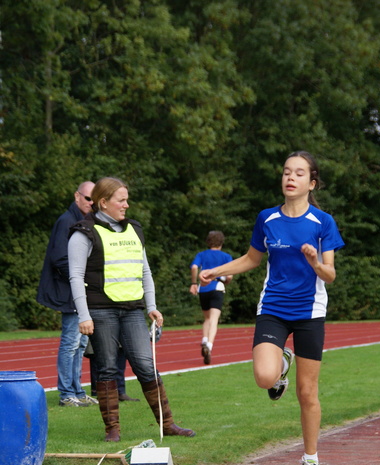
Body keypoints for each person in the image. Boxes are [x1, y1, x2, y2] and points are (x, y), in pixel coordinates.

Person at [200, 151, 344, 465]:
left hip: (310, 313)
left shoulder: (323, 223)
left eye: (298, 173)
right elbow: (252, 258)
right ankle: (281, 364)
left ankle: (311, 462)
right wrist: (216, 271)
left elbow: (330, 274)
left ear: (312, 182)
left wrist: (314, 261)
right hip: (274, 309)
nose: (290, 178)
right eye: (285, 172)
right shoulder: (267, 218)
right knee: (265, 377)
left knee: (307, 393)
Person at [68, 176, 195, 442]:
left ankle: (168, 424)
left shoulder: (134, 230)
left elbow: (145, 270)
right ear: (103, 202)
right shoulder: (83, 232)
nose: (127, 205)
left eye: (127, 199)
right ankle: (112, 430)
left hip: (133, 310)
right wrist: (84, 315)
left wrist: (152, 306)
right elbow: (75, 276)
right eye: (121, 200)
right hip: (101, 311)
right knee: (106, 369)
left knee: (146, 366)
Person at [37, 182, 99, 407]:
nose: (91, 203)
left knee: (81, 343)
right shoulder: (66, 221)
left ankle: (77, 391)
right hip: (71, 291)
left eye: (94, 199)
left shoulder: (86, 221)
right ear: (77, 196)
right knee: (71, 342)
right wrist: (82, 277)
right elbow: (60, 258)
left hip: (81, 291)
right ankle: (66, 393)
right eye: (88, 198)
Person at [189, 231, 233, 364]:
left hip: (203, 288)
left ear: (208, 242)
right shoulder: (226, 256)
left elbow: (194, 267)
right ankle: (209, 345)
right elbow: (229, 276)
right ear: (221, 243)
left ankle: (204, 339)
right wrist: (226, 281)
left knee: (207, 318)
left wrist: (193, 283)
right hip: (217, 287)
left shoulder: (201, 254)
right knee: (214, 319)